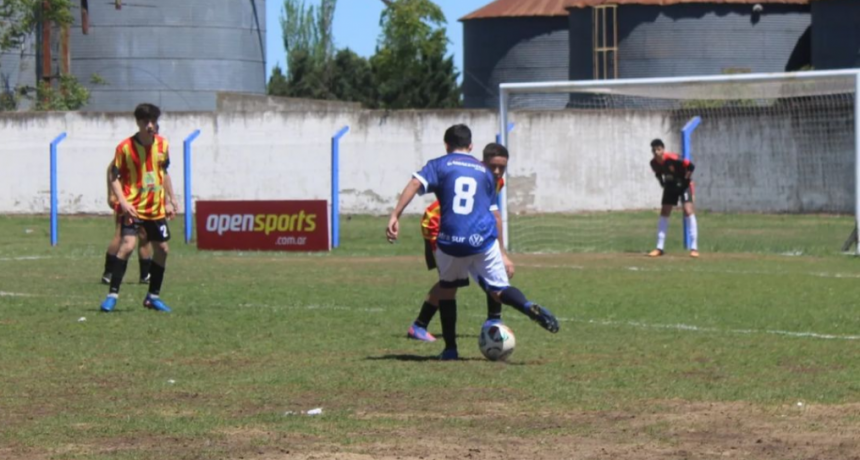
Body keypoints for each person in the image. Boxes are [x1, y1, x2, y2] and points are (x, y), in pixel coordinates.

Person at [387, 124, 559, 360]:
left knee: (447, 290)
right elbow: (494, 214)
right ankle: (527, 306)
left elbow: (415, 183)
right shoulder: (486, 172)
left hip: (449, 239)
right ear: (471, 146)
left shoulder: (439, 164)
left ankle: (450, 349)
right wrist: (502, 252)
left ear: (447, 145)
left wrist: (395, 215)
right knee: (499, 289)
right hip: (482, 240)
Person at [407, 142, 512, 342]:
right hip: (437, 224)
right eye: (493, 167)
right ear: (482, 163)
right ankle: (419, 325)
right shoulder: (479, 173)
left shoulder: (497, 181)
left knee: (484, 274)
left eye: (502, 168)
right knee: (450, 283)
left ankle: (493, 320)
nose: (497, 172)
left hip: (464, 228)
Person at [100, 104, 178, 312]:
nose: (150, 125)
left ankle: (152, 296)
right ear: (138, 123)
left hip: (155, 209)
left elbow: (165, 172)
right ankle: (112, 295)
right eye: (146, 122)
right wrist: (123, 202)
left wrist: (171, 199)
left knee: (162, 249)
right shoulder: (124, 148)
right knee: (127, 246)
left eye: (153, 121)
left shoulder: (163, 145)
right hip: (133, 208)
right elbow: (113, 176)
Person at [101, 159, 153, 285]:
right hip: (125, 202)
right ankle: (109, 272)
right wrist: (114, 198)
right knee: (121, 234)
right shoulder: (120, 161)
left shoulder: (147, 161)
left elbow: (152, 181)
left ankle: (145, 275)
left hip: (142, 203)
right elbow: (112, 176)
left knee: (144, 235)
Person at [648, 139, 699, 258]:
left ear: (663, 150)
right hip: (671, 186)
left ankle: (694, 248)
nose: (656, 152)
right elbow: (658, 173)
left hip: (684, 185)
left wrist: (686, 180)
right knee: (665, 211)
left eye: (658, 149)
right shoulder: (653, 163)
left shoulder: (673, 158)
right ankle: (659, 248)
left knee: (688, 211)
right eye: (654, 150)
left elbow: (691, 166)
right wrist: (662, 182)